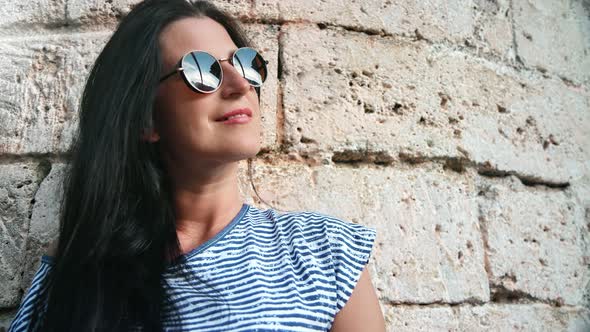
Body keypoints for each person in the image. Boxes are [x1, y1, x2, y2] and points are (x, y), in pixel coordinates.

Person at [8, 0, 385, 331]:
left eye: (246, 64)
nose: (239, 84)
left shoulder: (325, 251)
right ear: (145, 119)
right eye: (202, 70)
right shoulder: (78, 271)